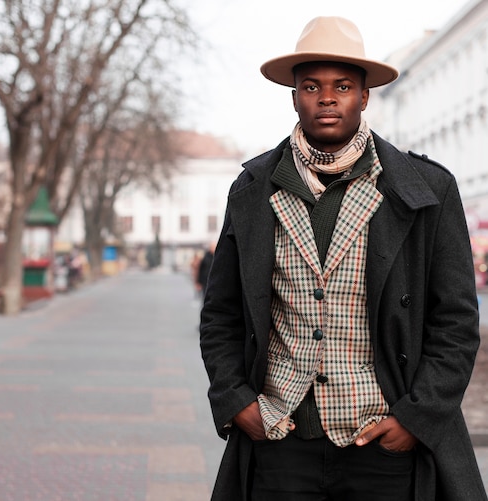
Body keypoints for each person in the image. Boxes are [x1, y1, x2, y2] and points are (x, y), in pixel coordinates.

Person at [199, 16, 487, 501]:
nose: (327, 98)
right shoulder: (251, 192)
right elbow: (221, 314)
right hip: (279, 442)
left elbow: (456, 321)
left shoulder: (427, 189)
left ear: (364, 96)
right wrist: (235, 400)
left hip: (383, 446)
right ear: (294, 95)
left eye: (343, 86)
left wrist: (415, 419)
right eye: (311, 86)